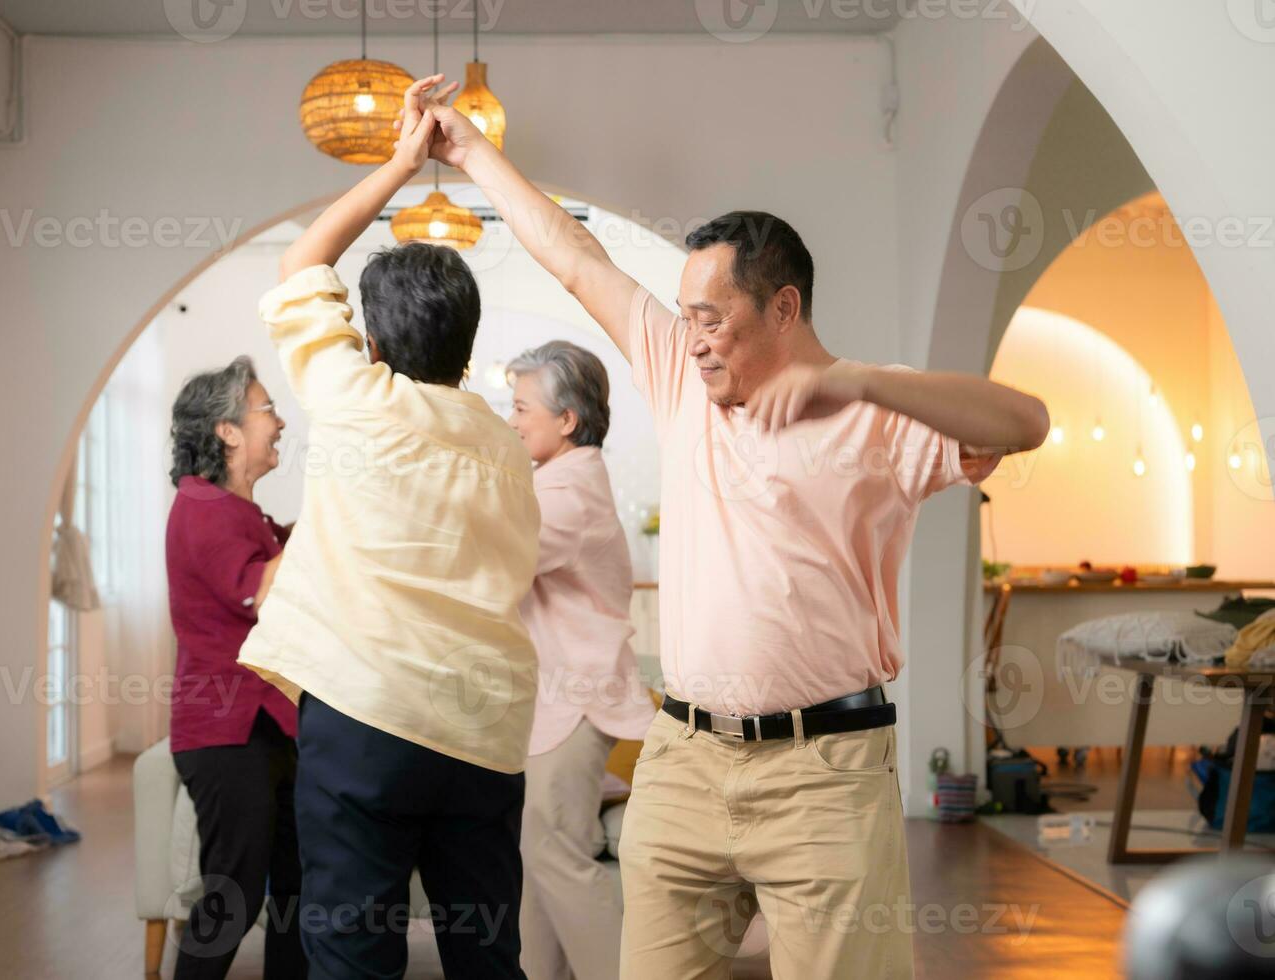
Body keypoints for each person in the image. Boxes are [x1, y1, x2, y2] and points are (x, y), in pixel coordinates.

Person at [415, 90, 1049, 978]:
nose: (695, 338)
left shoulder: (879, 411)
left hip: (824, 773)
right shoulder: (680, 372)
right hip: (682, 763)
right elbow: (573, 254)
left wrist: (865, 382)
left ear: (783, 309)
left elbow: (1026, 420)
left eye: (713, 317)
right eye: (687, 317)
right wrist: (472, 151)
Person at [235, 75, 540, 979]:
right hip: (484, 727)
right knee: (488, 956)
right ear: (467, 342)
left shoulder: (356, 398)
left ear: (372, 343)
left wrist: (403, 162)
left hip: (366, 715)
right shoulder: (507, 442)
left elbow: (302, 266)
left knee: (353, 954)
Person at [506, 341, 656, 980]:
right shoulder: (557, 479)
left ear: (566, 419)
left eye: (521, 408)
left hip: (576, 700)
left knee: (554, 854)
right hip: (558, 701)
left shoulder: (568, 490)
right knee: (540, 858)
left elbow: (500, 556)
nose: (512, 421)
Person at [164, 356, 307, 980]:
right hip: (225, 732)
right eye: (266, 408)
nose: (278, 422)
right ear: (227, 431)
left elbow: (284, 551)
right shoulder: (203, 507)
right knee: (236, 892)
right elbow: (259, 592)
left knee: (296, 889)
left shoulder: (239, 511)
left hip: (267, 723)